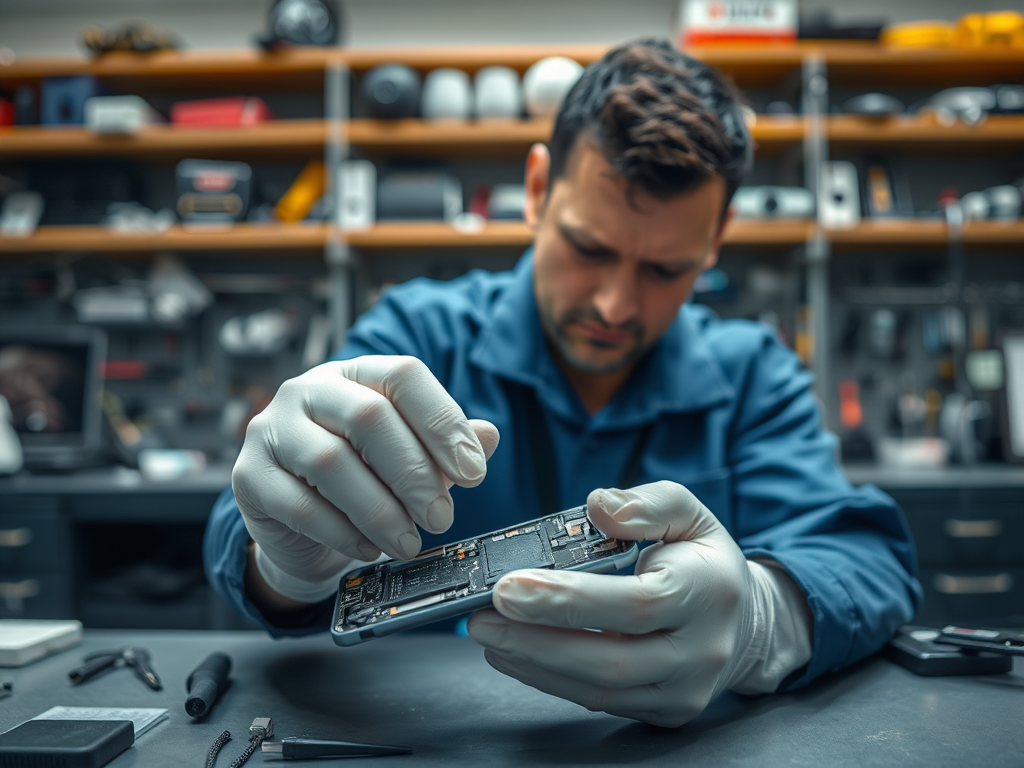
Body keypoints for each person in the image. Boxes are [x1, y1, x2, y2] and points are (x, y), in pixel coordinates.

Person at [205, 38, 921, 728]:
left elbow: (864, 559)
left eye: (665, 269)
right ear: (539, 188)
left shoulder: (753, 374)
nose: (614, 305)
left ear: (717, 235)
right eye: (589, 247)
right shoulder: (417, 334)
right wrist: (292, 562)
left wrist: (762, 619)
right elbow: (253, 520)